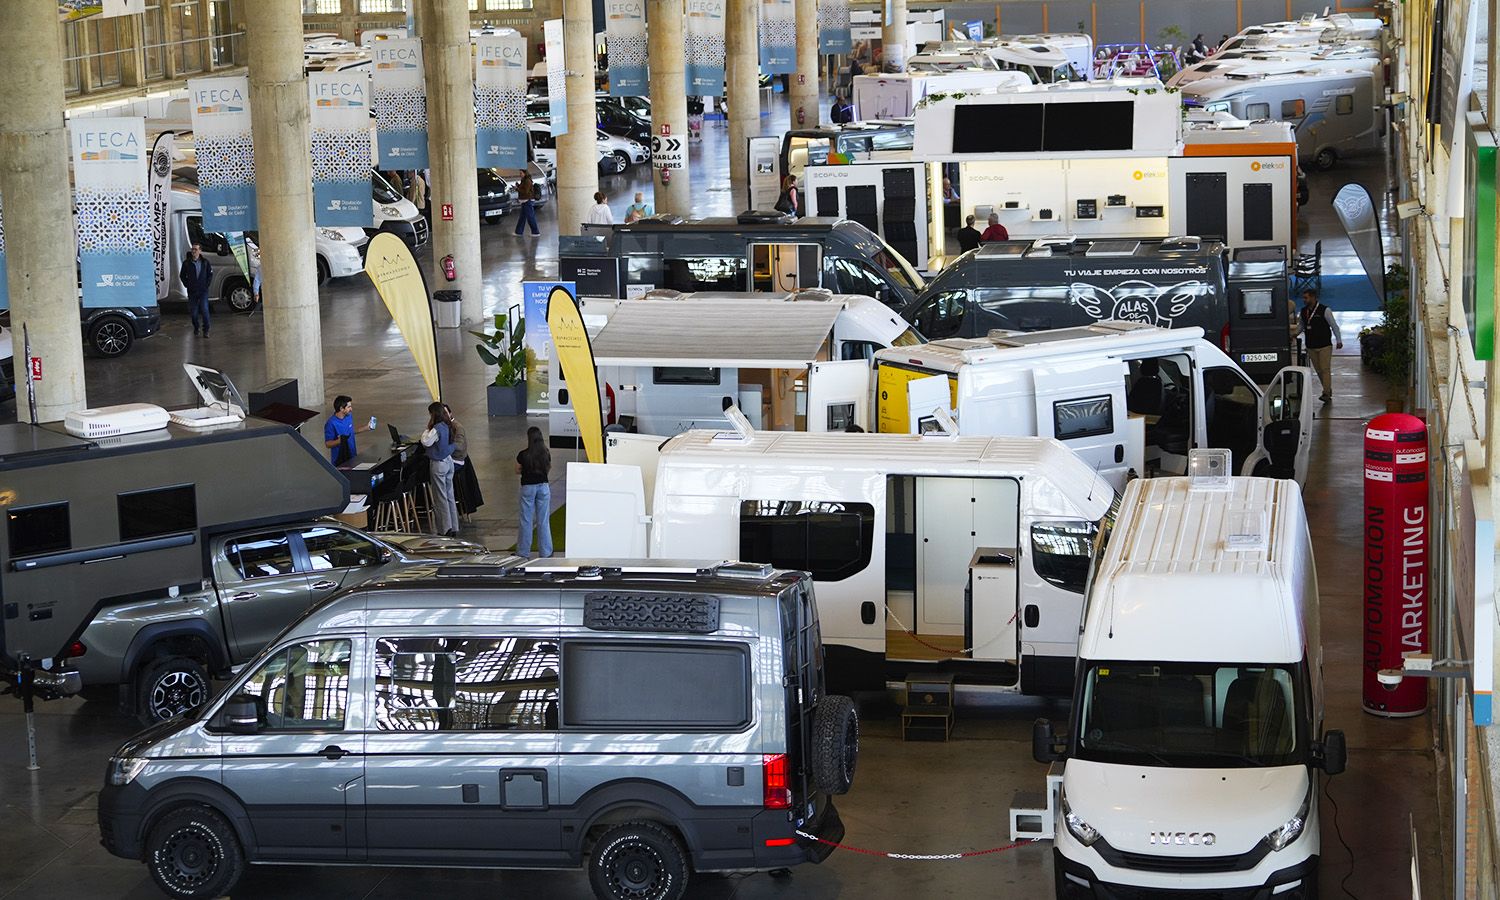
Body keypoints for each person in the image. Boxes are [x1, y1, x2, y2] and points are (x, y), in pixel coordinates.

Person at [420, 401, 460, 537]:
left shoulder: (436, 428)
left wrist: (427, 429)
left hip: (439, 464)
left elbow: (426, 441)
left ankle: (445, 528)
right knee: (450, 495)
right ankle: (454, 525)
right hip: (449, 462)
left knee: (440, 497)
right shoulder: (449, 425)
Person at [1296, 289, 1342, 402]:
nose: (1304, 300)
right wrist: (1294, 334)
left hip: (1324, 345)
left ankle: (1326, 393)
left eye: (1306, 298)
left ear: (1313, 297)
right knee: (1319, 371)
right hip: (1311, 346)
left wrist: (1339, 340)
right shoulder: (1303, 311)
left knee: (1325, 369)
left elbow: (1334, 326)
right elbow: (1301, 326)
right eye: (1304, 298)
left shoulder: (1325, 310)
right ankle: (1327, 389)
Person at [516, 425, 553, 558]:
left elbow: (517, 470)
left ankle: (523, 552)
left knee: (526, 520)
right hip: (543, 486)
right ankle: (546, 552)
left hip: (528, 488)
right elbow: (548, 468)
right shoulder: (546, 453)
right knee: (543, 521)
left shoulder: (523, 454)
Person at [443, 403, 484, 519]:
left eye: (446, 413)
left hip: (457, 461)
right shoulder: (442, 427)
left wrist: (445, 448)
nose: (444, 416)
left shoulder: (457, 427)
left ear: (450, 413)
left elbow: (460, 446)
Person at [323, 395, 375, 466]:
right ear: (341, 409)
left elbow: (351, 431)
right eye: (349, 407)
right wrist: (340, 441)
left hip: (353, 456)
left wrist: (366, 427)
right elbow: (328, 444)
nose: (351, 409)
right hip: (340, 461)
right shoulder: (331, 423)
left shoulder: (348, 416)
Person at [179, 241, 213, 337]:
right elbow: (182, 275)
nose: (193, 251)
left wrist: (206, 285)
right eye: (192, 249)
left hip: (203, 291)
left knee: (205, 310)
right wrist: (187, 284)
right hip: (192, 291)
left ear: (200, 251)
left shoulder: (205, 263)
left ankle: (206, 330)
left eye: (196, 249)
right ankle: (196, 327)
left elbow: (210, 274)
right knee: (193, 313)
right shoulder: (187, 263)